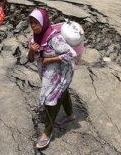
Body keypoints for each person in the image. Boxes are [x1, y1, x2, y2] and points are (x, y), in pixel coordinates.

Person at [27, 8, 77, 150]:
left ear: (44, 22)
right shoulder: (34, 39)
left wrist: (50, 60)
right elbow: (30, 59)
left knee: (51, 100)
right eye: (31, 23)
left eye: (36, 23)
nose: (34, 26)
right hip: (48, 74)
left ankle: (47, 132)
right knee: (62, 92)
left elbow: (71, 54)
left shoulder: (54, 38)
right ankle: (70, 115)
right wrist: (31, 51)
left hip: (62, 72)